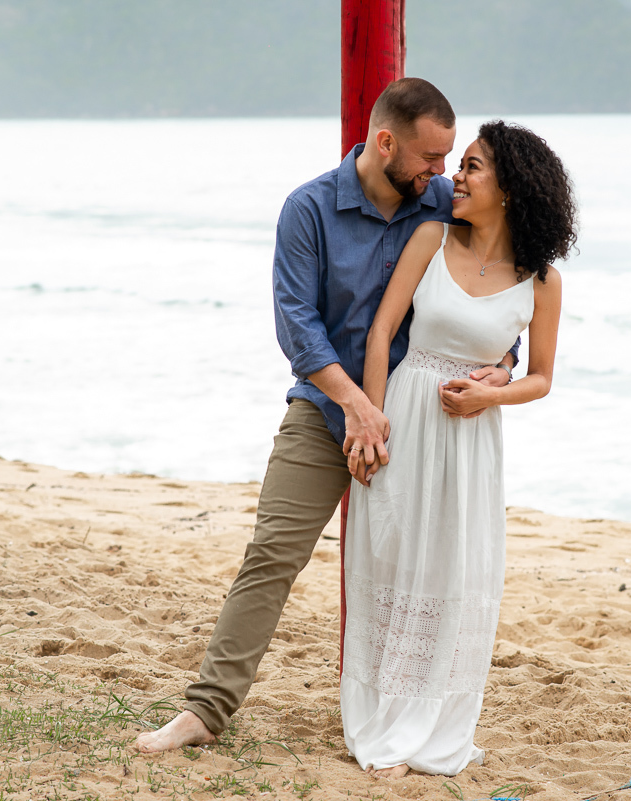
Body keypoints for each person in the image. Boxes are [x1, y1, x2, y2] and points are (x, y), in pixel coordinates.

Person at [134, 78, 517, 754]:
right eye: (431, 157)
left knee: (422, 579)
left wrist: (506, 364)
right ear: (384, 141)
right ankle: (204, 711)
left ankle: (408, 722)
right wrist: (356, 405)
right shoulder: (308, 209)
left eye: (451, 158)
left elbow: (500, 280)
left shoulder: (439, 204)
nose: (442, 173)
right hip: (326, 413)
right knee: (272, 555)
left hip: (421, 430)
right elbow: (299, 328)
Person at [340, 120, 577, 778]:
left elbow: (542, 377)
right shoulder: (429, 238)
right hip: (406, 414)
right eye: (458, 165)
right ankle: (382, 719)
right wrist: (371, 425)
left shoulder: (542, 282)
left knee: (451, 572)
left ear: (511, 187)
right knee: (389, 558)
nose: (456, 178)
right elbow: (383, 330)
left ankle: (432, 722)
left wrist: (488, 396)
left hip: (471, 438)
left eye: (472, 167)